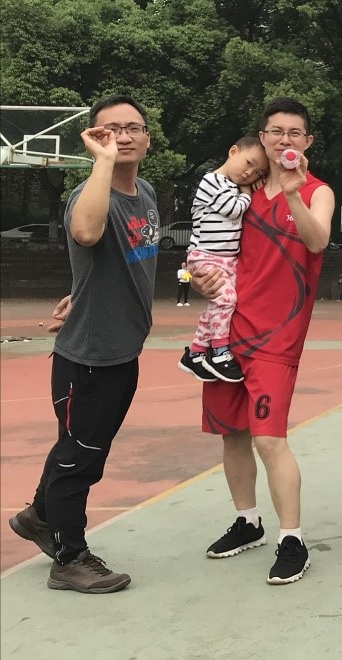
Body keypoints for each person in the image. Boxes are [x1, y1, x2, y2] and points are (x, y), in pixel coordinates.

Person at [7, 94, 159, 593]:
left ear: (147, 137)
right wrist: (103, 163)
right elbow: (87, 233)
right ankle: (69, 557)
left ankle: (38, 515)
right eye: (110, 130)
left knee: (81, 447)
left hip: (124, 349)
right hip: (90, 358)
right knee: (80, 458)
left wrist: (81, 292)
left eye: (133, 127)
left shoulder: (146, 192)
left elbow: (110, 260)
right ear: (94, 138)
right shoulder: (91, 193)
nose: (123, 136)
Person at [192, 97, 334, 585]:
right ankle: (247, 521)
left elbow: (317, 241)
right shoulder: (239, 192)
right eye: (275, 131)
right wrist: (197, 278)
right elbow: (209, 247)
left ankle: (292, 538)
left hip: (276, 338)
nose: (284, 140)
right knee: (232, 434)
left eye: (294, 132)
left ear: (307, 141)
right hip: (227, 335)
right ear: (262, 138)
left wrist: (292, 194)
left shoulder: (317, 192)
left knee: (269, 440)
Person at [177, 136, 269, 382]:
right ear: (233, 151)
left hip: (225, 258)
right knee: (226, 300)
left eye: (258, 173)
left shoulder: (230, 186)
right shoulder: (212, 181)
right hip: (206, 256)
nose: (249, 173)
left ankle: (196, 352)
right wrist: (247, 192)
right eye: (248, 163)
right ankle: (219, 351)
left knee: (218, 304)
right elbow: (234, 209)